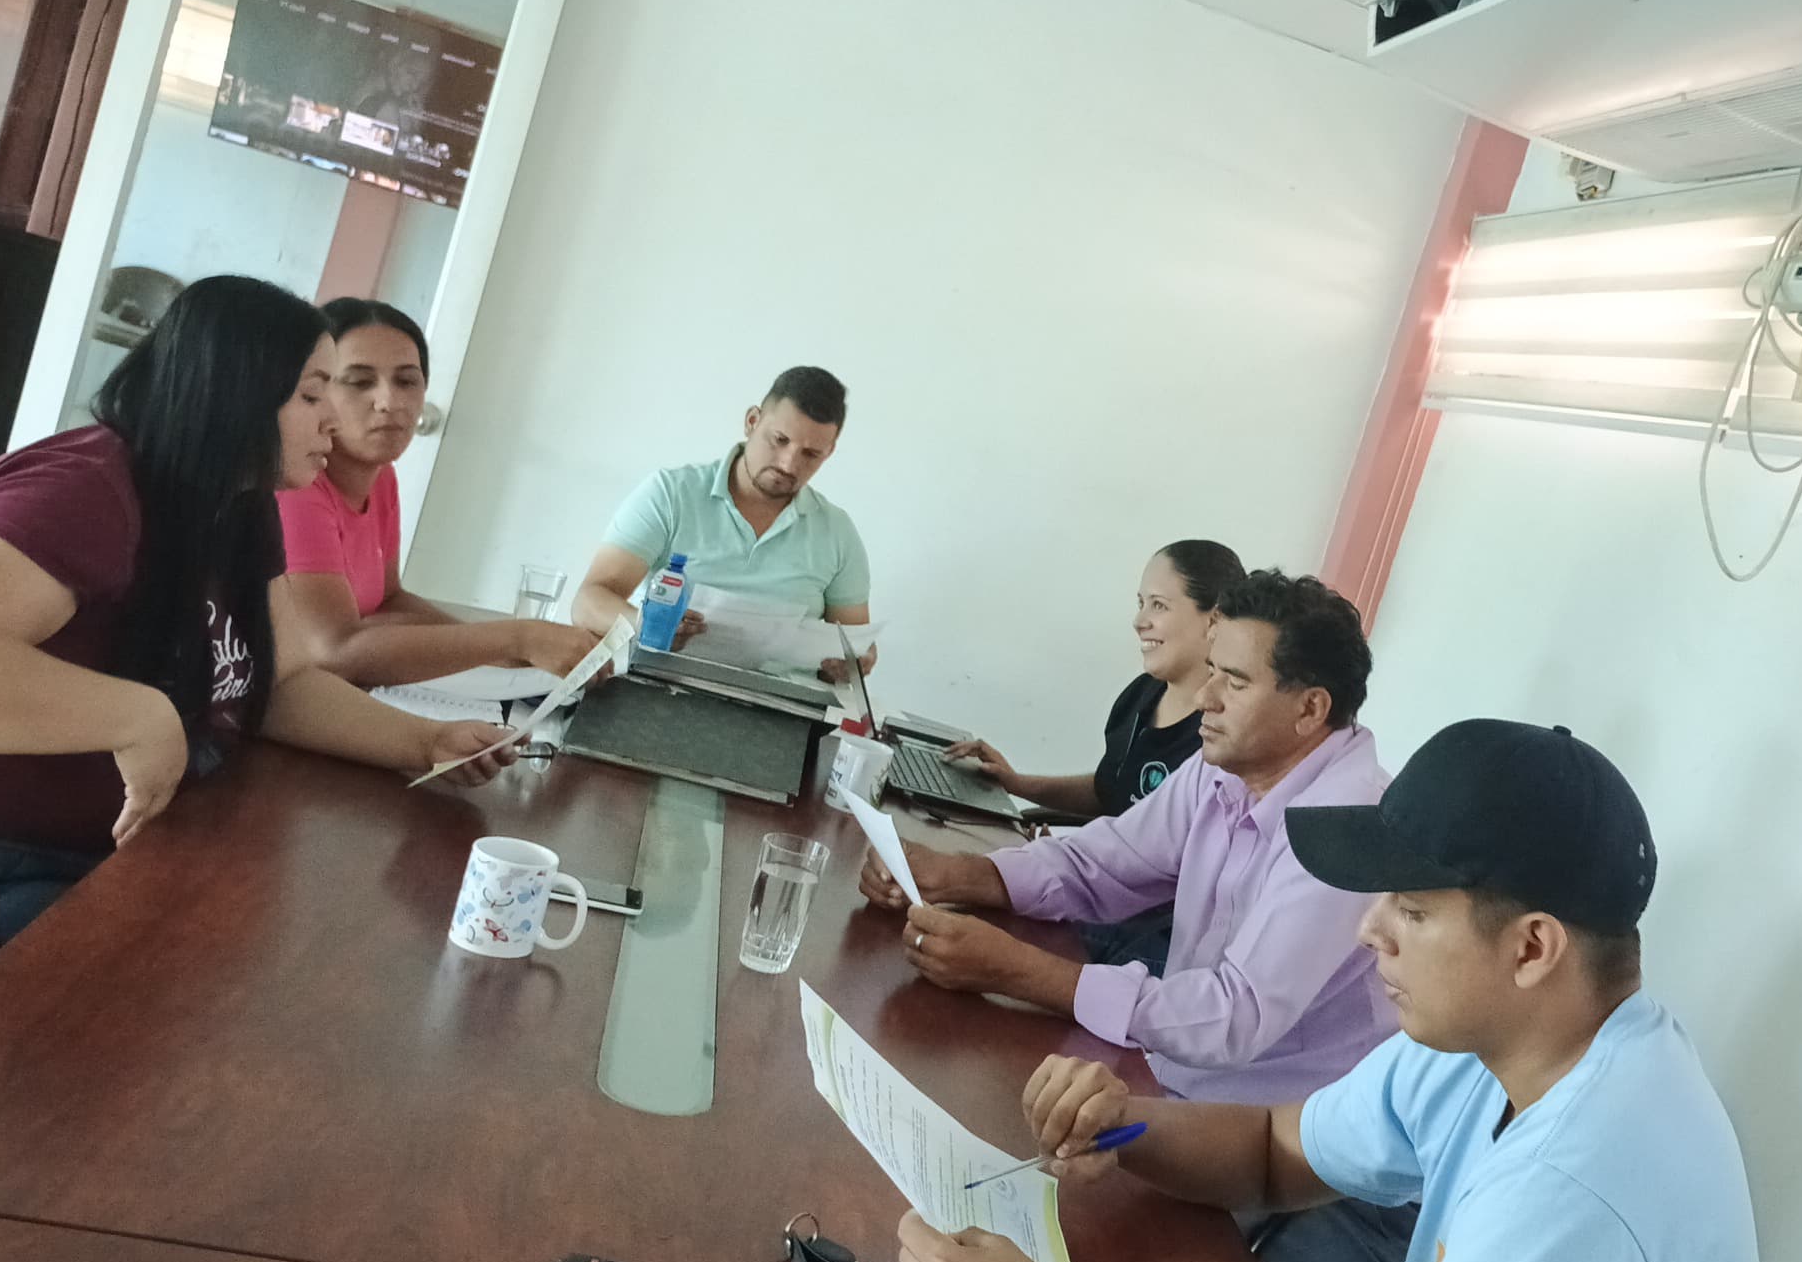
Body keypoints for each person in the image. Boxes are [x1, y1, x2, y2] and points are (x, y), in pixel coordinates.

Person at [0, 276, 521, 1032]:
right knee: (110, 1044)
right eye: (311, 394)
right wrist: (136, 716)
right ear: (234, 393)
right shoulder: (85, 489)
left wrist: (424, 742)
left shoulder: (240, 503)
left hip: (79, 856)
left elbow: (276, 682)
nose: (333, 419)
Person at [914, 719, 1761, 1262]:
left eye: (1412, 911)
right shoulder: (1497, 1045)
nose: (1368, 930)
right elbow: (1275, 1150)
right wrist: (1122, 1122)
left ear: (1532, 948)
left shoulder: (1568, 1197)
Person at [859, 570, 1395, 1107]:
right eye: (1211, 671)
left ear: (1310, 709)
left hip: (1276, 1124)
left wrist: (1016, 971)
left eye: (1234, 682)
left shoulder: (1348, 824)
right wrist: (960, 874)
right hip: (1172, 1067)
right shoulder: (1227, 766)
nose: (1204, 697)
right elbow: (1108, 861)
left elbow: (1235, 1016)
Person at [939, 538, 1245, 972]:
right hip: (1094, 891)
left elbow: (1158, 859)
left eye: (1158, 605)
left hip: (1144, 932)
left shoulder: (1219, 741)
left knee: (976, 928)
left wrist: (1069, 865)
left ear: (1213, 620)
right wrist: (1018, 784)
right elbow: (1110, 790)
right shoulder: (1141, 696)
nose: (1139, 621)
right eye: (1140, 603)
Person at [275, 298, 600, 687]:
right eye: (360, 382)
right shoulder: (297, 490)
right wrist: (516, 638)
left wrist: (510, 655)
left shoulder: (381, 478)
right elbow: (334, 652)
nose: (389, 402)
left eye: (407, 381)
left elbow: (387, 601)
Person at [572, 366, 872, 680]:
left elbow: (852, 647)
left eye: (810, 454)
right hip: (654, 685)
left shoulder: (837, 532)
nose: (788, 464)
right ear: (752, 421)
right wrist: (647, 625)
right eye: (779, 440)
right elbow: (588, 603)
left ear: (829, 452)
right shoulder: (671, 494)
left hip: (777, 703)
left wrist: (855, 663)